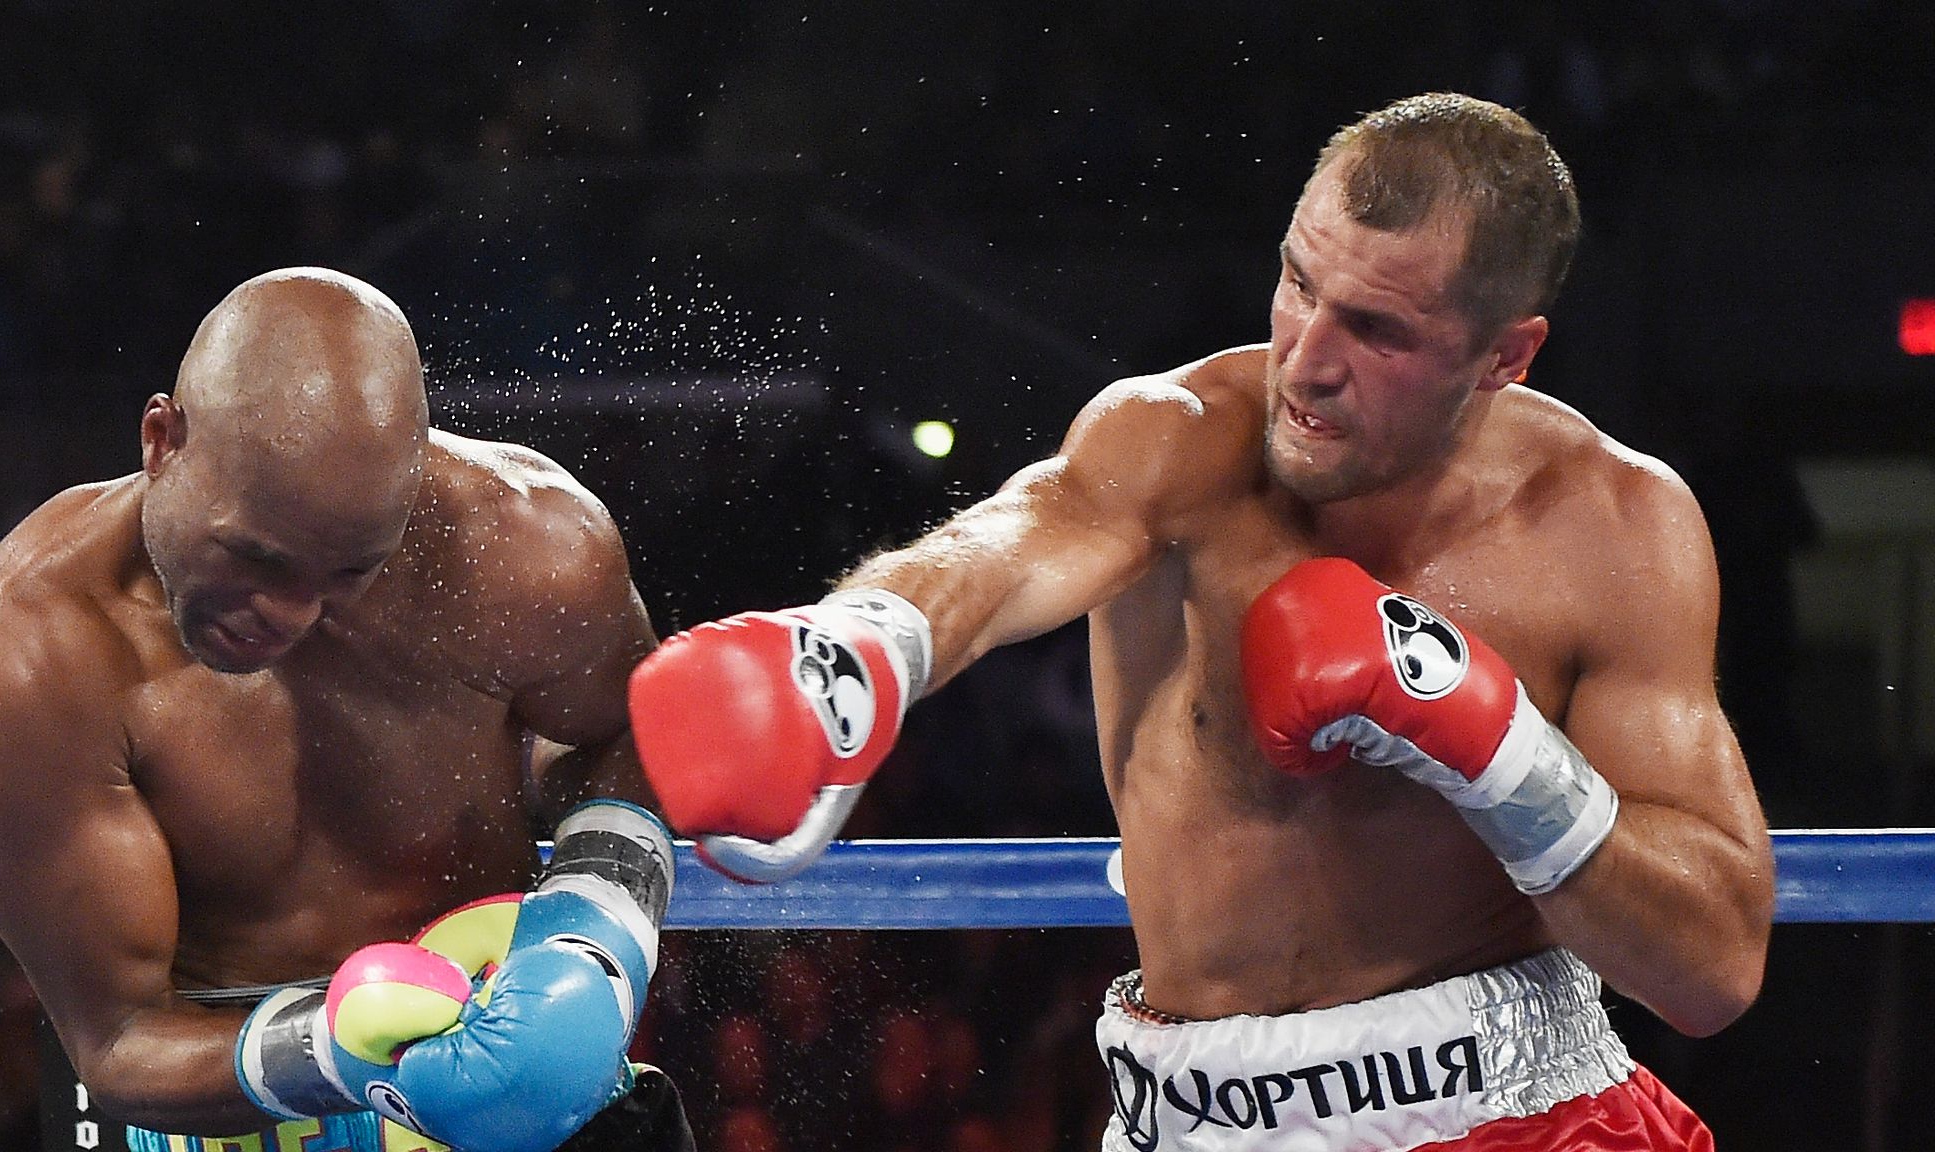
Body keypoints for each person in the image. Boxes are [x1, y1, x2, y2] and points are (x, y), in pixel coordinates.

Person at [629, 93, 1774, 1150]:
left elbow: (1711, 966)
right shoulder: (1177, 439)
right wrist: (861, 648)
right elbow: (1018, 536)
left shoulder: (1611, 526)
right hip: (1180, 1115)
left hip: (1514, 1113)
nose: (1305, 363)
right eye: (1296, 284)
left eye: (1375, 331)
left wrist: (1497, 752)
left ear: (1504, 357)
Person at [0, 268, 694, 1152]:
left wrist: (594, 931)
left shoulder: (522, 553)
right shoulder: (28, 656)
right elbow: (119, 1038)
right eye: (256, 557)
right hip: (232, 1108)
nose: (288, 615)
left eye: (349, 573)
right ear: (162, 439)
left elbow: (624, 728)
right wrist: (334, 1055)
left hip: (532, 1076)